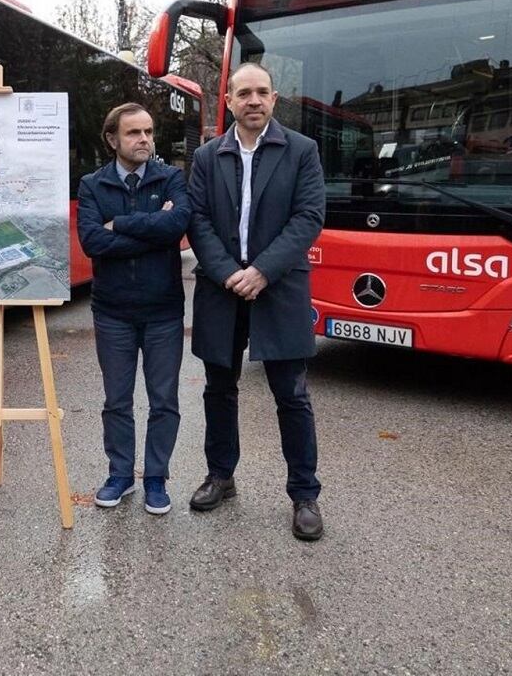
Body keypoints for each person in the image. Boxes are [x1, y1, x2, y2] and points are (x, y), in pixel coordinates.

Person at [186, 62, 327, 541]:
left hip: (279, 288)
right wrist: (229, 272)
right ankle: (220, 476)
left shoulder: (301, 150)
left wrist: (263, 270)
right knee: (218, 390)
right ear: (228, 100)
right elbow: (197, 220)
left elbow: (308, 217)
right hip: (221, 290)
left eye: (262, 92)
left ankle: (304, 495)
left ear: (274, 99)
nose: (254, 100)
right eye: (244, 93)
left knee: (292, 395)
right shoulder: (207, 156)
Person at [75, 103, 191, 515]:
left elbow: (177, 227)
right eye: (133, 133)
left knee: (164, 401)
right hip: (113, 313)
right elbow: (92, 241)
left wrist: (121, 224)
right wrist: (152, 227)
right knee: (117, 401)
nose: (144, 139)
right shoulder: (93, 185)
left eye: (148, 132)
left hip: (163, 312)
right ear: (112, 139)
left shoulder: (170, 177)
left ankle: (156, 478)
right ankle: (120, 475)